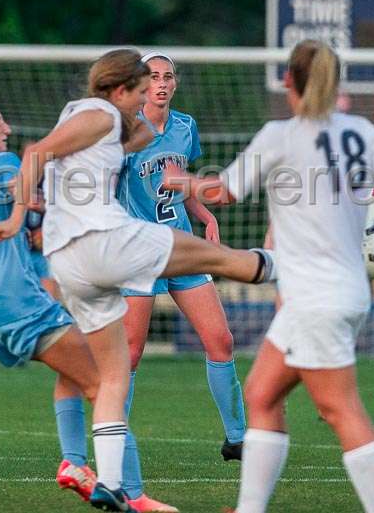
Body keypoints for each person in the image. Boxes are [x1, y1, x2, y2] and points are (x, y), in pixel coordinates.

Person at [160, 40, 374, 513]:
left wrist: (181, 181)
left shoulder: (281, 134)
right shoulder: (361, 132)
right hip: (341, 290)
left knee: (341, 410)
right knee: (261, 393)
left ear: (290, 83)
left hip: (316, 296)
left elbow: (222, 192)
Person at [0, 48, 277, 512]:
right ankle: (289, 265)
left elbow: (89, 152)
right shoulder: (102, 114)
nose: (155, 90)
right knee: (227, 262)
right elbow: (36, 153)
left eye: (163, 80)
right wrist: (19, 213)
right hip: (119, 245)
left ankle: (111, 482)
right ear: (122, 89)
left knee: (115, 374)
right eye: (146, 84)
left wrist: (194, 202)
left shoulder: (142, 124)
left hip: (76, 259)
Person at [0, 96, 175, 509]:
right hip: (18, 302)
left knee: (75, 370)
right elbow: (35, 178)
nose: (6, 129)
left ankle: (75, 462)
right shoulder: (1, 164)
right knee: (107, 382)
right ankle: (133, 494)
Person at [115, 51, 245, 505]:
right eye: (154, 77)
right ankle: (113, 441)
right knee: (130, 354)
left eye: (169, 76)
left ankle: (238, 438)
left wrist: (203, 212)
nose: (162, 84)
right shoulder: (124, 128)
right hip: (140, 253)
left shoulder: (185, 127)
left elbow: (179, 185)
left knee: (221, 340)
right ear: (140, 83)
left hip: (182, 248)